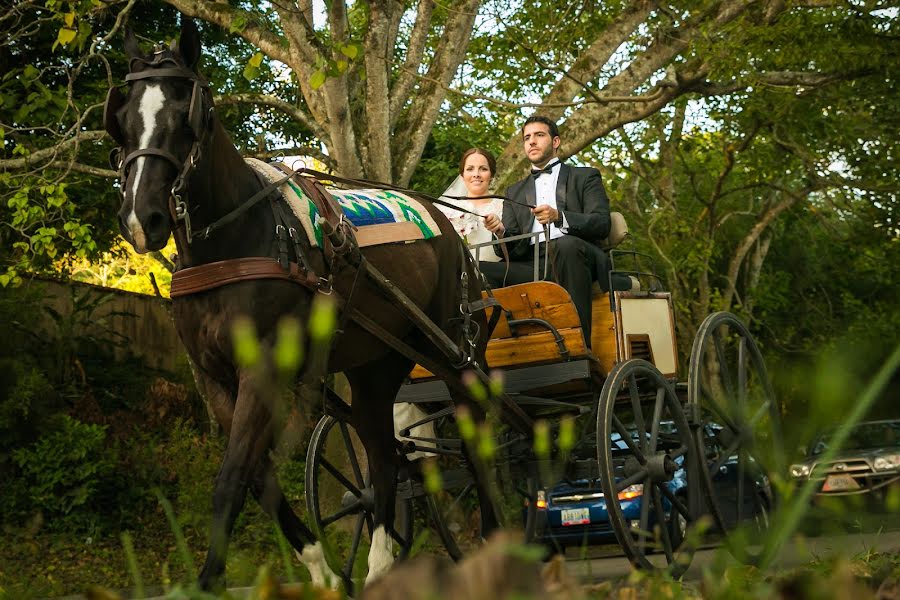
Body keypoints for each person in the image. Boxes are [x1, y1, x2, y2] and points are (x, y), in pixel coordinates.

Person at [479, 116, 635, 341]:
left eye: (539, 135)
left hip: (578, 254)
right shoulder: (514, 191)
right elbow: (515, 250)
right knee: (477, 270)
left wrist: (559, 217)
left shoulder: (585, 176)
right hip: (533, 262)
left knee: (566, 245)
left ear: (555, 142)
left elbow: (601, 224)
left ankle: (579, 344)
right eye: (527, 138)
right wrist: (501, 231)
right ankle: (499, 350)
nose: (531, 141)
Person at [437, 148, 504, 262]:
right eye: (470, 169)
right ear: (462, 175)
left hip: (495, 274)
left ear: (491, 175)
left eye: (483, 169)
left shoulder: (505, 207)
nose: (476, 174)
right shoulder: (447, 208)